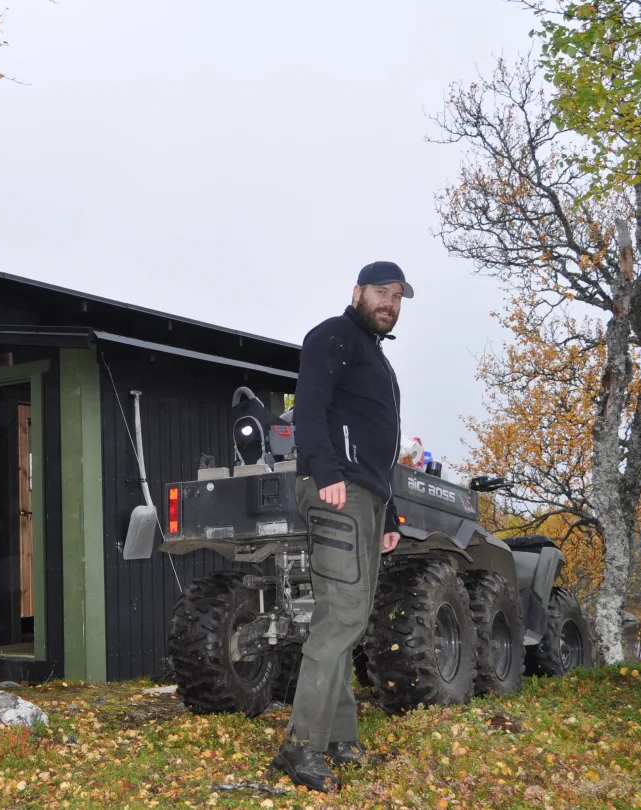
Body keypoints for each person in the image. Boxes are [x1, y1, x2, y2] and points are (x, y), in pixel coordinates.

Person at [271, 261, 411, 792]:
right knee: (340, 620)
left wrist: (390, 509)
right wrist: (326, 472)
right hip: (337, 490)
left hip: (367, 497)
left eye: (397, 296)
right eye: (381, 292)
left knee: (346, 617)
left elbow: (379, 446)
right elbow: (308, 407)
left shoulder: (375, 356)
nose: (389, 303)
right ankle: (301, 747)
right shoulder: (332, 336)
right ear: (357, 292)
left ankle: (338, 738)